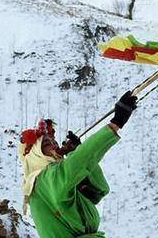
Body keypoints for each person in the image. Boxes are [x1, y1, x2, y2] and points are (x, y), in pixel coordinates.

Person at [18, 91, 138, 238]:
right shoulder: (45, 179)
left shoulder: (47, 185)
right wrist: (115, 124)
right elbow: (79, 162)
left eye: (55, 142)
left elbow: (99, 191)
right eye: (47, 144)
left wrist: (76, 151)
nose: (55, 146)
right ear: (36, 154)